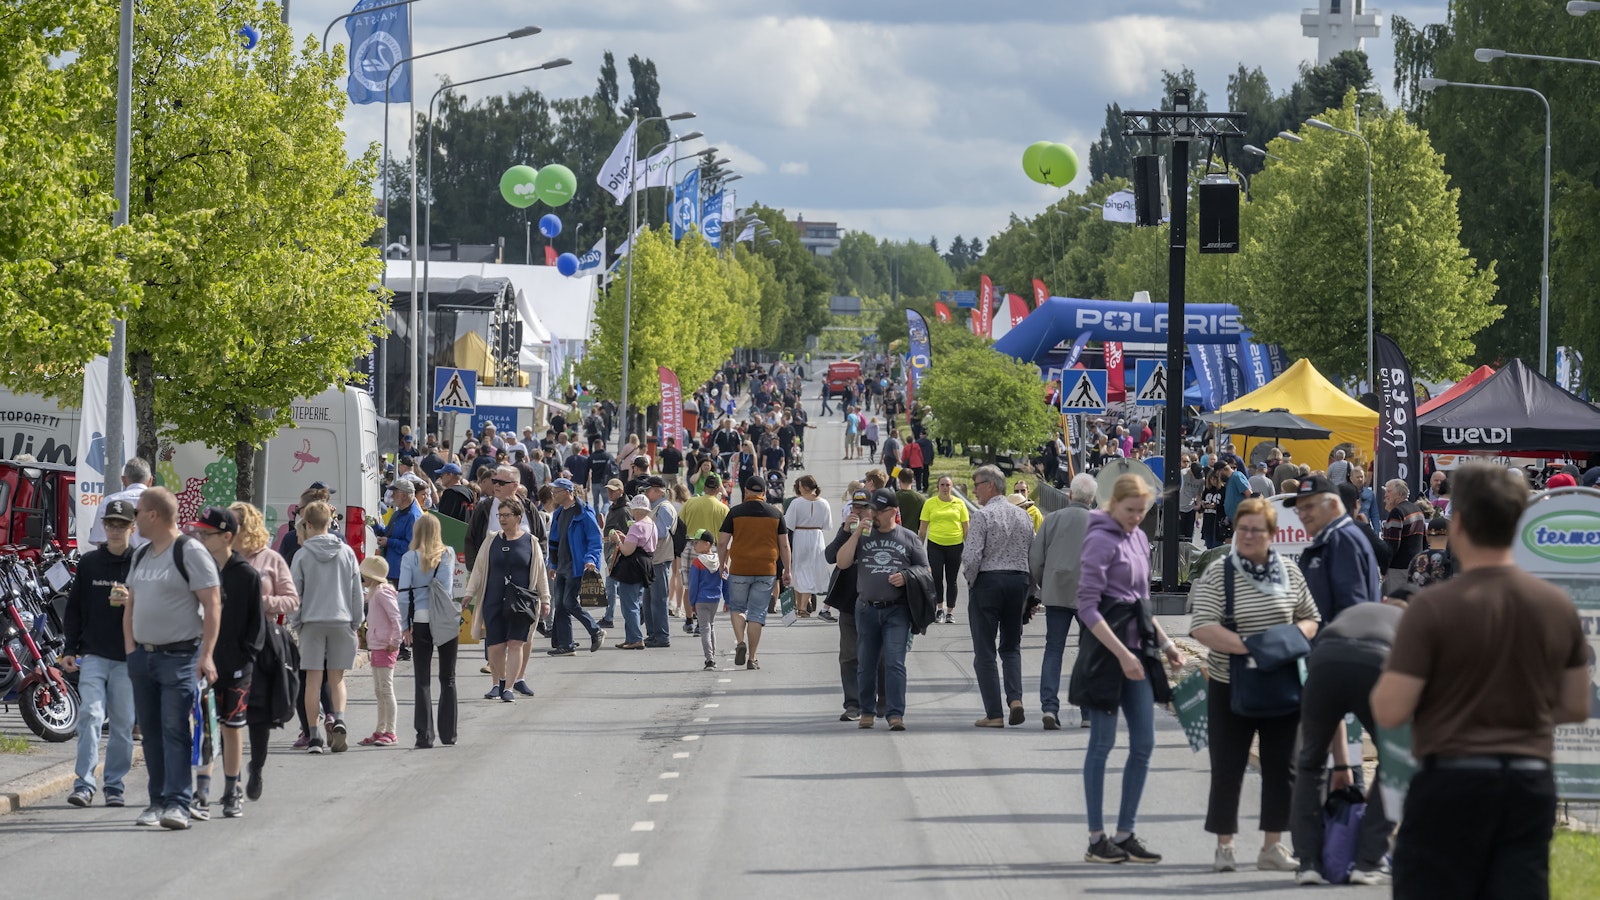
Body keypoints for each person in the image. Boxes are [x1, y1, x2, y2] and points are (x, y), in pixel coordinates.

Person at [1372, 462, 1589, 899]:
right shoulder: (1555, 605)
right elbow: (1576, 704)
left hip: (1451, 778)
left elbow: (1389, 708)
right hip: (1528, 781)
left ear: (1460, 524)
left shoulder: (1432, 608)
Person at [1188, 497, 1320, 874]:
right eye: (1242, 528)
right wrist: (1253, 647)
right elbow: (1202, 625)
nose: (1247, 535)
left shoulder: (1290, 573)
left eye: (1255, 530)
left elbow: (1311, 617)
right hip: (1231, 684)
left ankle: (1272, 846)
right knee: (1227, 768)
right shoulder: (1219, 573)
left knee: (1283, 768)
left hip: (1282, 684)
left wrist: (1288, 641)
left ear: (1272, 535)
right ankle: (1225, 846)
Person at [1076, 475, 1186, 864]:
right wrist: (1122, 653)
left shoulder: (1139, 537)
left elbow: (1142, 601)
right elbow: (1087, 607)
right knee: (1102, 745)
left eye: (1143, 511)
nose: (1138, 518)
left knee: (1144, 744)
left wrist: (1168, 643)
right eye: (1131, 510)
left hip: (1140, 653)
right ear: (1113, 504)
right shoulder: (1099, 537)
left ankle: (1125, 834)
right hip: (1108, 654)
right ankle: (1096, 838)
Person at [122, 487, 222, 830]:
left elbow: (212, 603)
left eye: (137, 513)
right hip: (143, 658)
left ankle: (178, 803)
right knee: (150, 732)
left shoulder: (189, 550)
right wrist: (130, 651)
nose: (133, 521)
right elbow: (131, 604)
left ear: (153, 515)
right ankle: (157, 801)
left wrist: (206, 655)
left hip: (180, 656)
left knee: (174, 729)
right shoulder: (141, 555)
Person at [1289, 601, 1403, 885]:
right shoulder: (1412, 621)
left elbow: (1336, 710)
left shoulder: (1360, 611)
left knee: (1310, 764)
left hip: (1324, 664)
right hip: (1376, 663)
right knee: (1396, 765)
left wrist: (1342, 764)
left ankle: (1308, 864)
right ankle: (1367, 861)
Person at [61, 498, 137, 809]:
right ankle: (84, 783)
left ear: (132, 527)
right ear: (103, 527)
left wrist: (131, 600)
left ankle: (114, 785)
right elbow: (75, 609)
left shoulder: (140, 562)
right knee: (90, 714)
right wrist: (69, 649)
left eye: (121, 525)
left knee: (121, 724)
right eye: (110, 524)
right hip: (93, 654)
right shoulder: (90, 562)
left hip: (128, 657)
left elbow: (155, 607)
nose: (115, 531)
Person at [833, 488, 925, 731]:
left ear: (893, 512)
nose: (872, 514)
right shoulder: (864, 535)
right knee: (865, 662)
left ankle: (895, 714)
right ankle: (866, 711)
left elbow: (926, 570)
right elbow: (841, 562)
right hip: (866, 609)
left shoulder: (909, 538)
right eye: (871, 509)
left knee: (894, 662)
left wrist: (907, 576)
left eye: (878, 510)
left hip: (897, 610)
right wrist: (854, 535)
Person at [228, 502, 296, 801]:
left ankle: (256, 768)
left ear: (248, 527)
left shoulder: (271, 559)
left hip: (264, 642)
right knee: (228, 714)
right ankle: (232, 780)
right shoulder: (222, 557)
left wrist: (261, 602)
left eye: (234, 525)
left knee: (256, 714)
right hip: (228, 641)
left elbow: (291, 600)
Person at [289, 500, 364, 755]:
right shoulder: (346, 553)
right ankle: (339, 718)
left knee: (312, 680)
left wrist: (295, 620)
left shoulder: (301, 555)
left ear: (307, 524)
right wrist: (357, 621)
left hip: (311, 621)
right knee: (337, 679)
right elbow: (357, 592)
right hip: (341, 619)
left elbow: (294, 593)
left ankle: (314, 737)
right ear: (330, 523)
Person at [964, 465, 1037, 727]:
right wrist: (1031, 590)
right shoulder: (1023, 516)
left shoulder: (982, 516)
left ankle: (994, 713)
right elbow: (1034, 554)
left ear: (991, 485)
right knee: (1010, 646)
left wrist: (972, 583)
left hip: (989, 582)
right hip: (1017, 581)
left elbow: (972, 557)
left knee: (984, 650)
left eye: (977, 484)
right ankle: (1015, 699)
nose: (974, 490)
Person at [1030, 474, 1097, 731]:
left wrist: (1042, 583)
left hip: (1056, 591)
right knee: (1089, 651)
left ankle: (1049, 707)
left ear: (1070, 495)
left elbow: (1035, 558)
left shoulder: (1052, 520)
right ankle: (1088, 712)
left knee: (1053, 649)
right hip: (1090, 595)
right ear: (1092, 499)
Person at [467, 497, 552, 698]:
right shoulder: (491, 540)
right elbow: (479, 569)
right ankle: (499, 681)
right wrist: (469, 593)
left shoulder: (531, 542)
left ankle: (508, 688)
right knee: (495, 646)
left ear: (518, 517)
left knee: (515, 643)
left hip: (521, 601)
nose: (502, 519)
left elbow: (540, 572)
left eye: (506, 515)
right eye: (500, 515)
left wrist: (545, 599)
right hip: (493, 598)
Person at [718, 474, 793, 671]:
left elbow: (723, 542)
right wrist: (787, 569)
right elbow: (784, 545)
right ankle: (752, 657)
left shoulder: (735, 512)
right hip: (765, 569)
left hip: (740, 568)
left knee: (737, 608)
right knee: (757, 614)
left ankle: (740, 641)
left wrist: (721, 563)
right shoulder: (776, 514)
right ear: (764, 493)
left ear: (746, 492)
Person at [399, 514, 458, 748]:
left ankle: (424, 735)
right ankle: (449, 734)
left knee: (422, 679)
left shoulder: (408, 558)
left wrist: (405, 625)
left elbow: (403, 595)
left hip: (421, 619)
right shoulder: (448, 554)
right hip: (444, 619)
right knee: (448, 677)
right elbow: (446, 588)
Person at [1289, 475, 1381, 623]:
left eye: (1309, 507)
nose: (1302, 515)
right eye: (1299, 509)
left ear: (1332, 504)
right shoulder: (1334, 539)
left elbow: (1352, 613)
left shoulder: (1342, 540)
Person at [546, 478, 606, 655]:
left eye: (556, 492)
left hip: (577, 566)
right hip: (562, 566)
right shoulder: (558, 513)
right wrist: (553, 564)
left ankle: (596, 630)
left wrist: (591, 560)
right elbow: (554, 541)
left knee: (569, 602)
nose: (553, 495)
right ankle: (566, 645)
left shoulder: (584, 513)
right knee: (561, 605)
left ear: (568, 492)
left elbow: (595, 541)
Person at [357, 556, 401, 747]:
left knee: (385, 689)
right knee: (379, 690)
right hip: (378, 644)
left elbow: (395, 616)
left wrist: (396, 640)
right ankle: (381, 729)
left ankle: (390, 731)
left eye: (365, 575)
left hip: (386, 645)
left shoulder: (382, 593)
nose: (363, 578)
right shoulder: (375, 592)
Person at [919, 475, 969, 625]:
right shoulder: (930, 503)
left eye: (948, 485)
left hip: (955, 545)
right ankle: (939, 608)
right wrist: (919, 549)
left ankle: (950, 612)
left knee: (952, 579)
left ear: (952, 487)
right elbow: (922, 529)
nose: (945, 488)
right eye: (942, 485)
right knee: (936, 577)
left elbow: (966, 528)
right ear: (938, 487)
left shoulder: (959, 503)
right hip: (935, 544)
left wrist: (970, 549)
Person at [610, 494, 658, 649]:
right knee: (635, 601)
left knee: (629, 604)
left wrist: (618, 541)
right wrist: (626, 538)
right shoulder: (650, 523)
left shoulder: (636, 526)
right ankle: (630, 637)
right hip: (646, 563)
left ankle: (636, 638)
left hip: (632, 566)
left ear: (637, 510)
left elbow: (627, 551)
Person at [783, 475, 832, 618]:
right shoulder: (824, 503)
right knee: (811, 569)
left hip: (800, 536)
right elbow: (827, 525)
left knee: (800, 569)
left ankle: (802, 606)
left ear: (804, 487)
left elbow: (789, 523)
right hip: (817, 536)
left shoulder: (796, 503)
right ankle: (801, 605)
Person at [641, 476, 678, 647]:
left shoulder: (664, 508)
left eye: (647, 490)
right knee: (649, 600)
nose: (645, 493)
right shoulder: (656, 507)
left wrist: (641, 531)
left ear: (657, 491)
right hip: (653, 559)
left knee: (658, 599)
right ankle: (654, 634)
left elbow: (661, 533)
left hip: (660, 559)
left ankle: (662, 636)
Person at [91, 457, 154, 547]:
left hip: (116, 560)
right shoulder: (160, 503)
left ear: (124, 480)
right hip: (153, 559)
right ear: (150, 480)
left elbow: (101, 542)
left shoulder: (109, 502)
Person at [685, 529, 725, 668]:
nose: (694, 546)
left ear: (707, 544)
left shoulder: (697, 562)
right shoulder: (719, 560)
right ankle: (712, 655)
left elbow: (693, 584)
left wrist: (692, 602)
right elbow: (725, 580)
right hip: (715, 599)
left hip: (701, 599)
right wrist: (727, 599)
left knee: (704, 629)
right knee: (711, 626)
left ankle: (709, 659)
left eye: (696, 543)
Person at [1381, 478, 1428, 593]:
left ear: (1400, 494)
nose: (1385, 495)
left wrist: (1383, 568)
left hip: (1398, 570)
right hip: (1415, 568)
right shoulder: (1417, 510)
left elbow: (1392, 544)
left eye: (1389, 491)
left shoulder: (1397, 512)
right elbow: (1424, 541)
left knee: (1397, 605)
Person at [372, 479, 421, 579]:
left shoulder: (413, 516)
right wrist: (375, 526)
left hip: (403, 574)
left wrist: (389, 542)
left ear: (403, 495)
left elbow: (410, 546)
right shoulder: (398, 513)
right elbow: (387, 533)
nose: (392, 496)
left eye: (394, 493)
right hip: (393, 570)